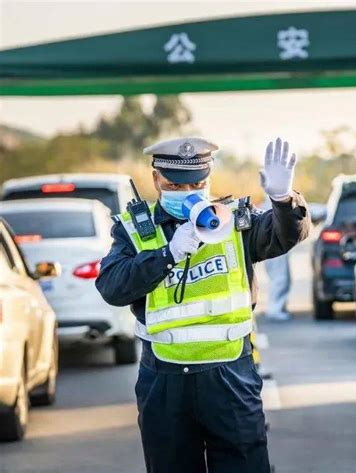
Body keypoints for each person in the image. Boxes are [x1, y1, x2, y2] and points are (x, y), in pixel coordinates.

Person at [95, 136, 310, 473]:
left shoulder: (234, 221)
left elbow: (284, 235)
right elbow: (112, 287)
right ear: (156, 180)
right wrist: (167, 255)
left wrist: (283, 200)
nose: (189, 191)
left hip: (230, 374)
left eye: (199, 182)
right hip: (164, 379)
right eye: (176, 185)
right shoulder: (135, 231)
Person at [261, 195, 292, 321]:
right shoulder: (275, 204)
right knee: (280, 279)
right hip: (275, 247)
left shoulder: (268, 204)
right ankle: (275, 309)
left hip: (273, 247)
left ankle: (279, 307)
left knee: (281, 278)